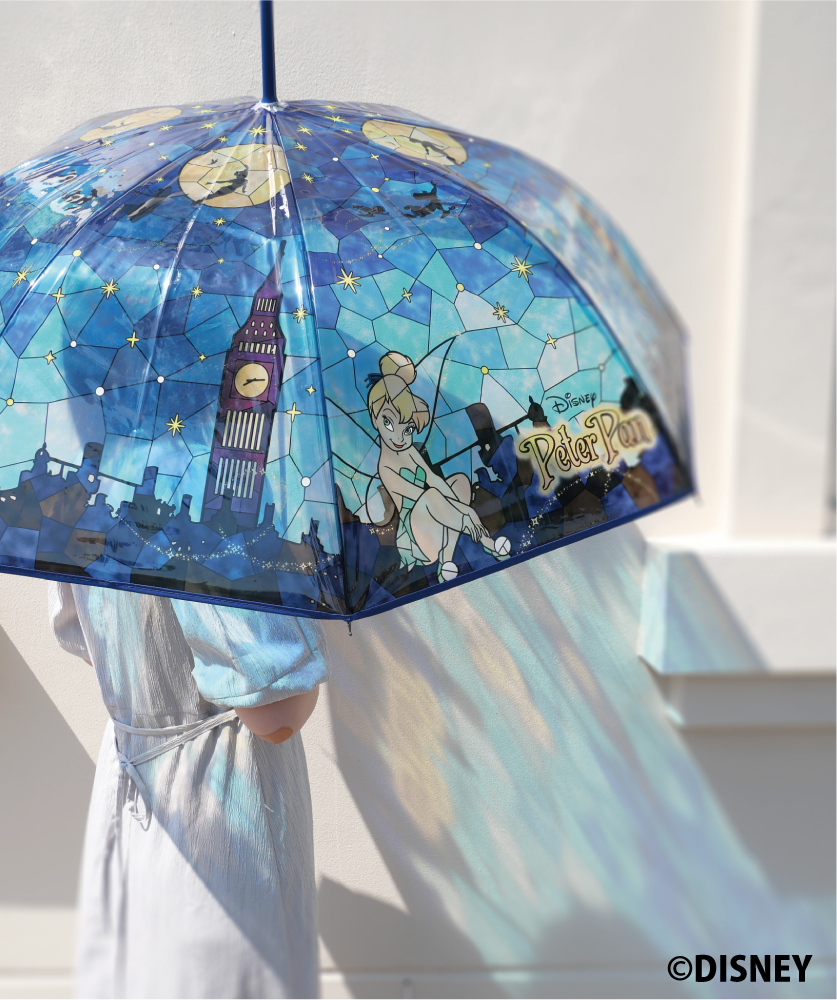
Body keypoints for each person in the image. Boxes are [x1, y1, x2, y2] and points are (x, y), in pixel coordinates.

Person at [49, 582, 327, 999]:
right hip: (221, 806)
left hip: (127, 779)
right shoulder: (221, 536)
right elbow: (275, 713)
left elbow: (82, 640)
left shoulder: (72, 531)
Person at [366, 351, 509, 581]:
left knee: (459, 482)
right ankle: (487, 542)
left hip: (438, 523)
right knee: (432, 496)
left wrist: (465, 511)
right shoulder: (385, 466)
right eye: (388, 422)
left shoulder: (409, 451)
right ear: (375, 419)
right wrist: (466, 516)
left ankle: (447, 561)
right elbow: (424, 496)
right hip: (418, 537)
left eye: (408, 429)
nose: (400, 437)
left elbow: (434, 481)